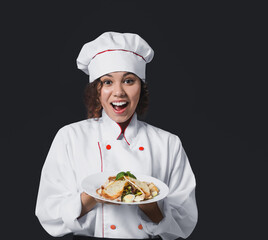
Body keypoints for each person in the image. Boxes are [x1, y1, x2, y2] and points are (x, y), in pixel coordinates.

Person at [35, 32, 197, 240]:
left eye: (129, 80)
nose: (118, 92)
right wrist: (94, 196)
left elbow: (184, 222)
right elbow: (49, 212)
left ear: (142, 87)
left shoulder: (167, 143)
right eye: (108, 82)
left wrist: (149, 205)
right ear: (97, 90)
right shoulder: (70, 137)